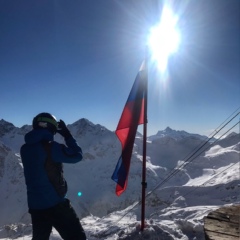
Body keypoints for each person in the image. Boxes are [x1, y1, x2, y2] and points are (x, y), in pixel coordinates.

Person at [20, 112, 86, 240]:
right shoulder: (51, 148)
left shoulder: (24, 148)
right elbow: (77, 156)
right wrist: (67, 135)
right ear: (52, 128)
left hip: (36, 207)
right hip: (56, 205)